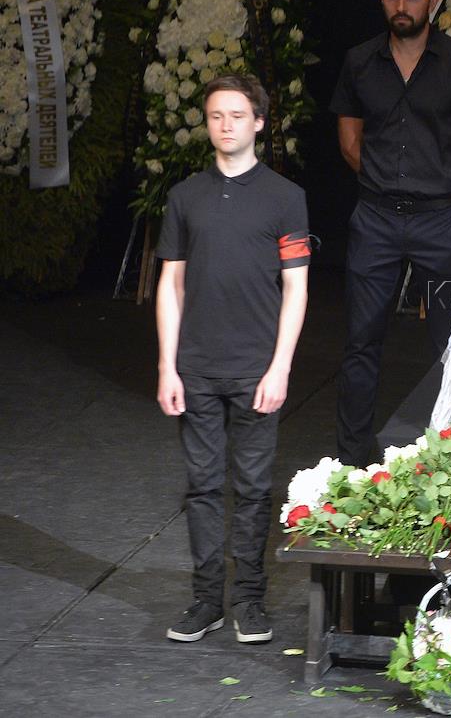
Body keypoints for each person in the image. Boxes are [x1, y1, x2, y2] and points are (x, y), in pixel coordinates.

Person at [156, 74, 310, 644]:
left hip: (255, 368)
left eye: (238, 115)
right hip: (195, 366)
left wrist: (280, 367)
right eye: (216, 115)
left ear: (259, 122)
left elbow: (296, 288)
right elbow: (171, 285)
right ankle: (205, 601)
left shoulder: (285, 197)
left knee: (252, 487)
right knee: (201, 487)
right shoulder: (185, 197)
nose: (226, 125)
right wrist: (167, 366)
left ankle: (248, 600)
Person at [330, 0, 451, 468]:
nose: (401, 6)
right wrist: (384, 183)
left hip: (438, 222)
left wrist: (446, 191)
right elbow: (349, 140)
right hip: (375, 220)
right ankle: (351, 461)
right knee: (361, 341)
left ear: (432, 0)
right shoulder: (359, 61)